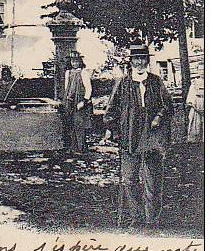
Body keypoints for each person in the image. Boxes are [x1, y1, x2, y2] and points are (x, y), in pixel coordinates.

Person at [104, 43, 173, 228]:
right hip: (130, 137)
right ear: (131, 61)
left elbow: (168, 106)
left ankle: (152, 219)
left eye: (143, 58)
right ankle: (137, 217)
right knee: (129, 179)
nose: (140, 62)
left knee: (153, 180)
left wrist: (158, 117)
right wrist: (115, 130)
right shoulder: (123, 83)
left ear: (147, 60)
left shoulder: (156, 82)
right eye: (136, 59)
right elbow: (111, 111)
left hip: (152, 138)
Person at [63, 51, 93, 155]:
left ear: (80, 61)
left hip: (79, 101)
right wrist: (66, 99)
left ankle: (81, 149)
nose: (74, 63)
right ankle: (73, 147)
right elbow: (67, 87)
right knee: (70, 123)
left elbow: (89, 88)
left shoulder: (84, 72)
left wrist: (84, 101)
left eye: (76, 61)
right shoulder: (68, 72)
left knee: (79, 124)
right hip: (70, 101)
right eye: (72, 61)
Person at [181, 66, 204, 186]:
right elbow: (190, 99)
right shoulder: (195, 83)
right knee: (196, 129)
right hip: (196, 109)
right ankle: (196, 149)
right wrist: (195, 106)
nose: (202, 72)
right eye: (200, 70)